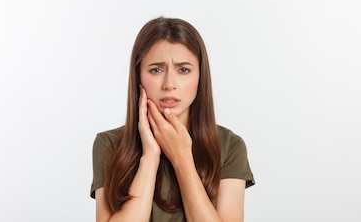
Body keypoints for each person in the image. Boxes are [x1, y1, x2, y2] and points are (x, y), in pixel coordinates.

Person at [90, 17, 255, 222]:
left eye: (183, 70)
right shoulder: (109, 144)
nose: (169, 84)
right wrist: (150, 157)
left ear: (200, 77)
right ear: (138, 76)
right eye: (156, 70)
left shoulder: (230, 146)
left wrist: (182, 158)